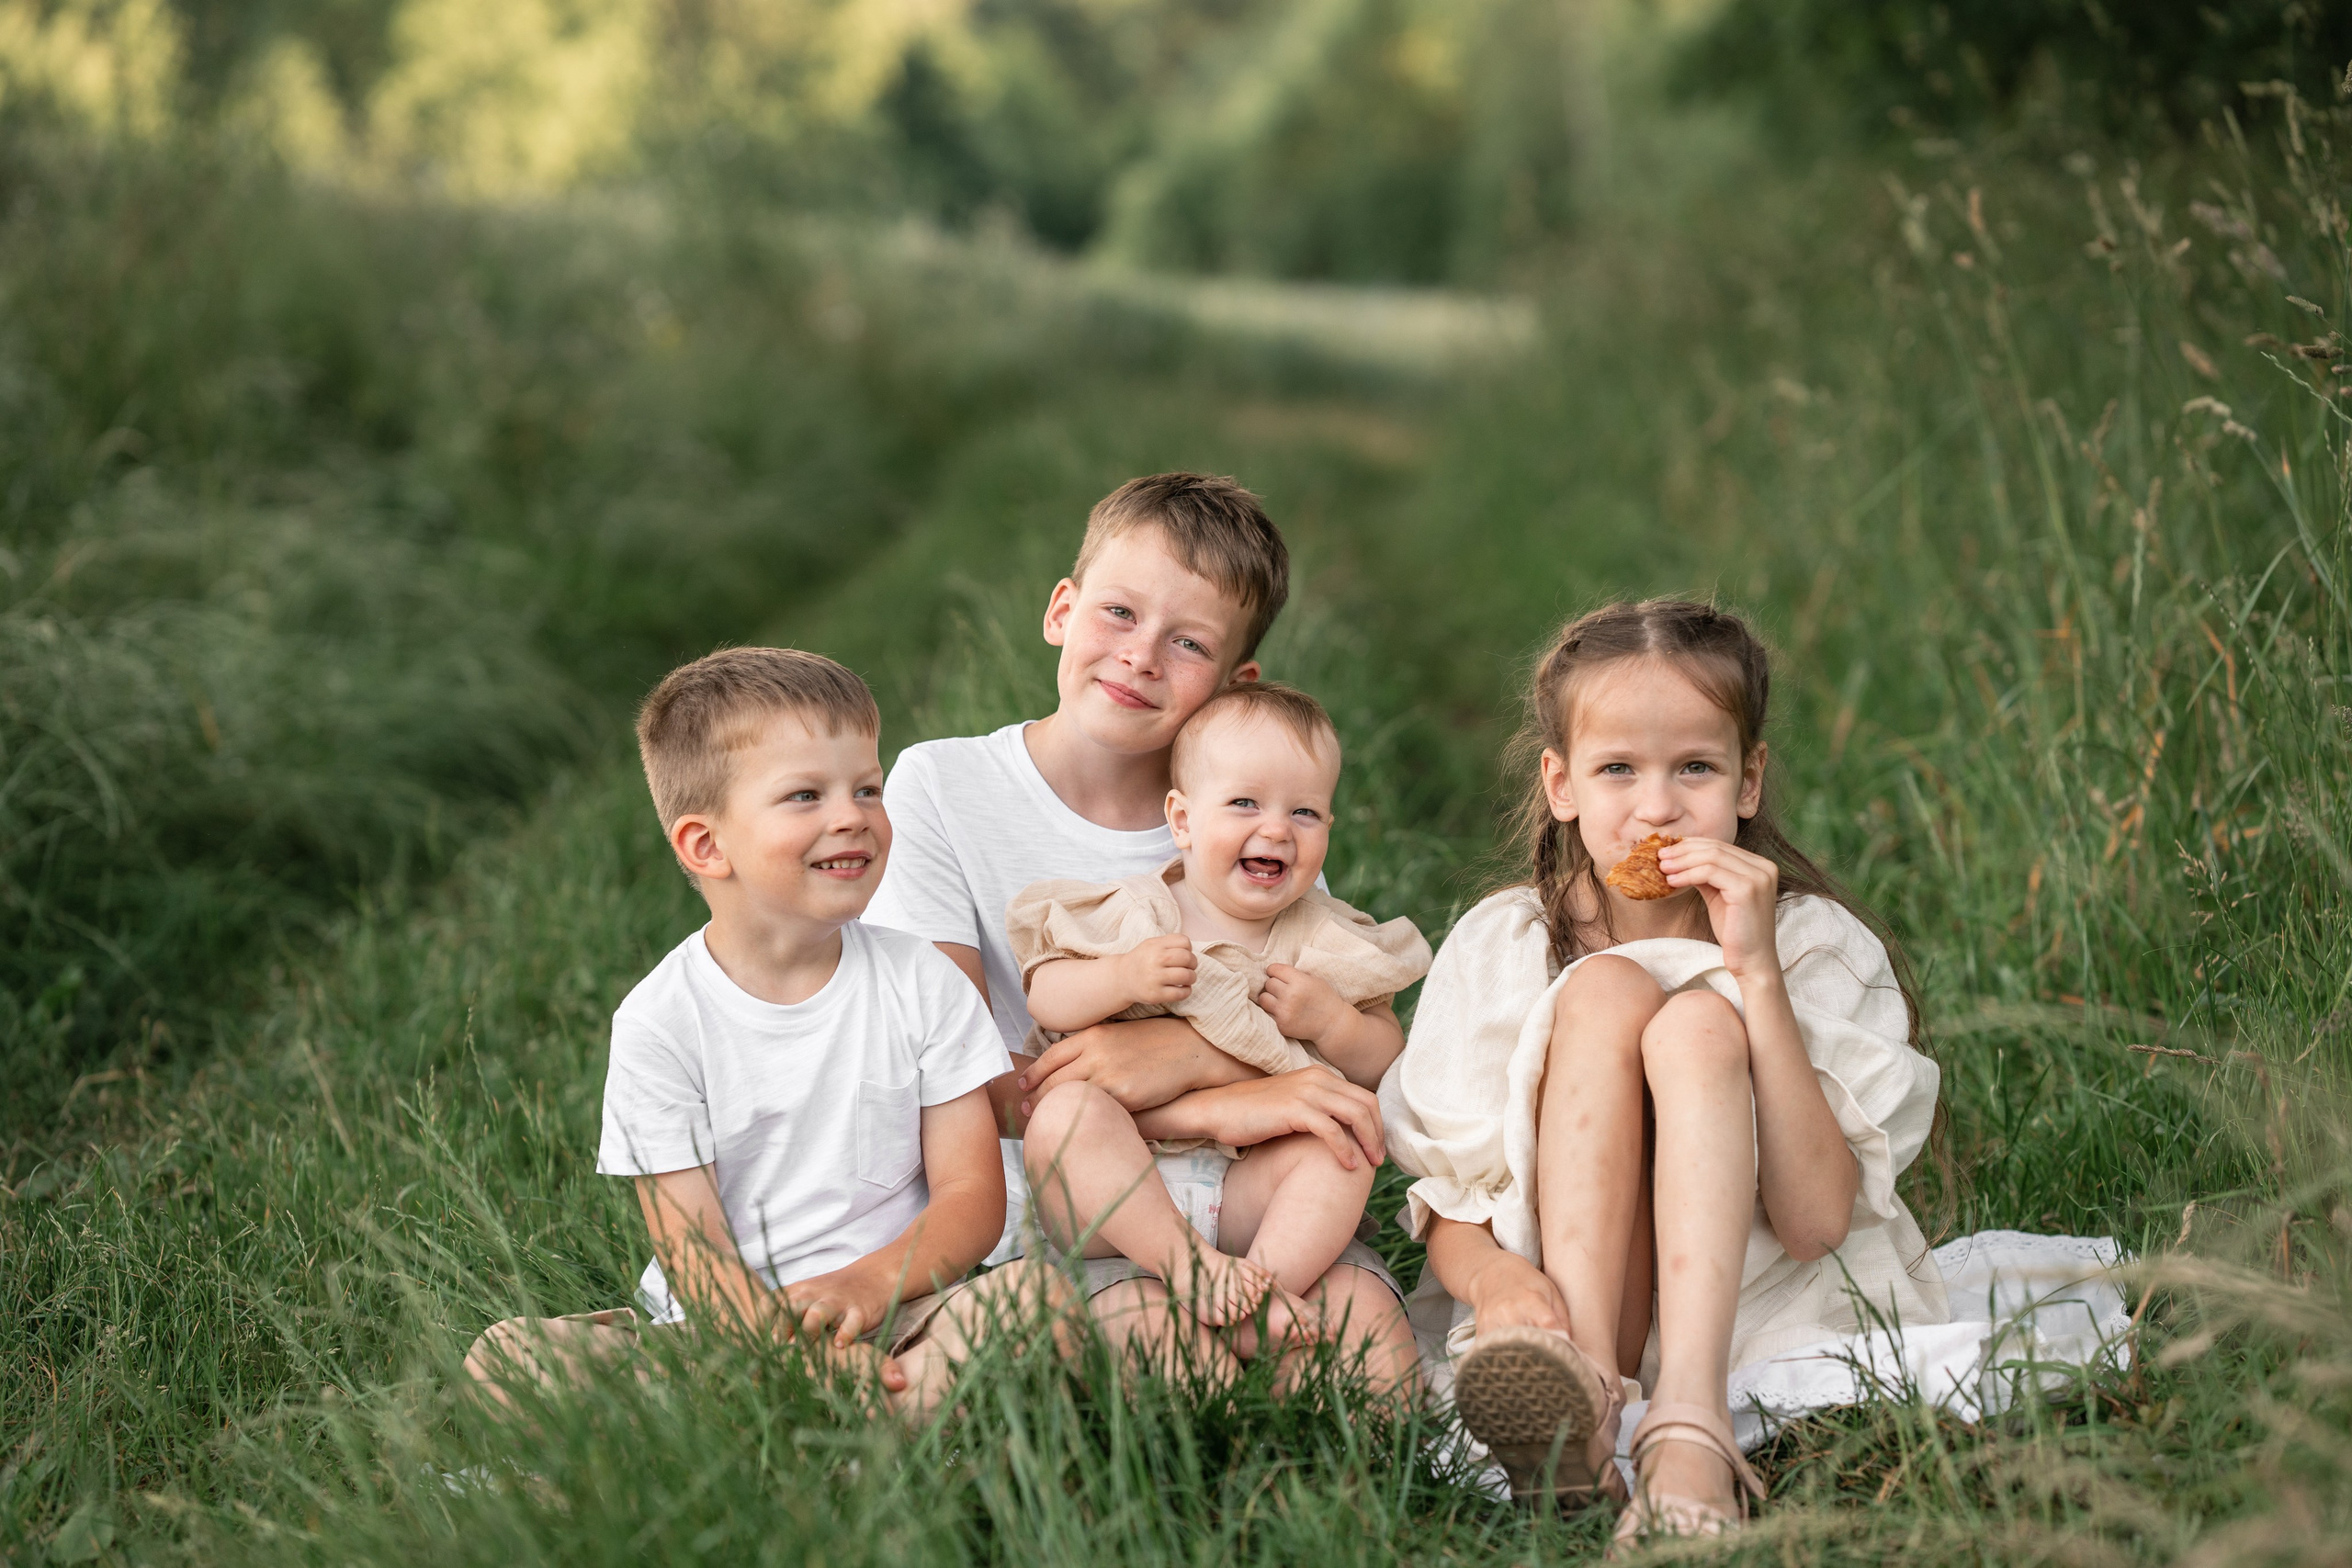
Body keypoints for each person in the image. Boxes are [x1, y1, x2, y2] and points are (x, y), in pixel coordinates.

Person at [1380, 599, 1949, 1542]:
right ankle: (1581, 1403)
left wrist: (1753, 976)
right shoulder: (1509, 944)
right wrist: (1493, 1287)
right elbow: (1454, 1201)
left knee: (1696, 1028)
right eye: (1617, 771)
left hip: (1748, 1296)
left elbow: (1813, 1223)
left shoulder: (1812, 950)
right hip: (1572, 1292)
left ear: (1748, 778)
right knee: (1601, 992)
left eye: (1694, 767)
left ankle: (1690, 1426)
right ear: (1560, 784)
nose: (1656, 807)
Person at [863, 472, 1419, 1389]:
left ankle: (1265, 1349)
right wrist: (1217, 1093)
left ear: (1234, 686)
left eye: (1187, 642)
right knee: (1166, 1343)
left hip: (1233, 1196)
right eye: (1118, 614)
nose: (1140, 656)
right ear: (1061, 610)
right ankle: (1204, 1345)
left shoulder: (1242, 825)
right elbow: (953, 1075)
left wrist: (1186, 1061)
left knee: (1373, 1343)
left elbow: (1321, 1036)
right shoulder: (942, 789)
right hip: (1051, 1203)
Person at [465, 648, 1066, 1416]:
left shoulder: (923, 983)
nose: (851, 814)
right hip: (728, 1332)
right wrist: (784, 1356)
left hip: (908, 1303)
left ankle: (809, 1433)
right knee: (508, 1358)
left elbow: (971, 1195)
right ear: (706, 845)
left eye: (867, 788)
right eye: (806, 795)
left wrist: (874, 1282)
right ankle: (828, 1417)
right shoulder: (661, 1023)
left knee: (1036, 1304)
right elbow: (696, 1251)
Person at [1010, 682, 1430, 1347]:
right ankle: (1192, 1271)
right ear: (1181, 819)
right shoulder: (1138, 914)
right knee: (1065, 1118)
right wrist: (1121, 975)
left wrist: (1332, 1023)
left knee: (1344, 1145)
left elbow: (1386, 1059)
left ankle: (1259, 1295)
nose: (1276, 829)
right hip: (1116, 1193)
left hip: (1246, 1193)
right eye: (1244, 803)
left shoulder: (1325, 941)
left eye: (1306, 812)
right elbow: (1046, 993)